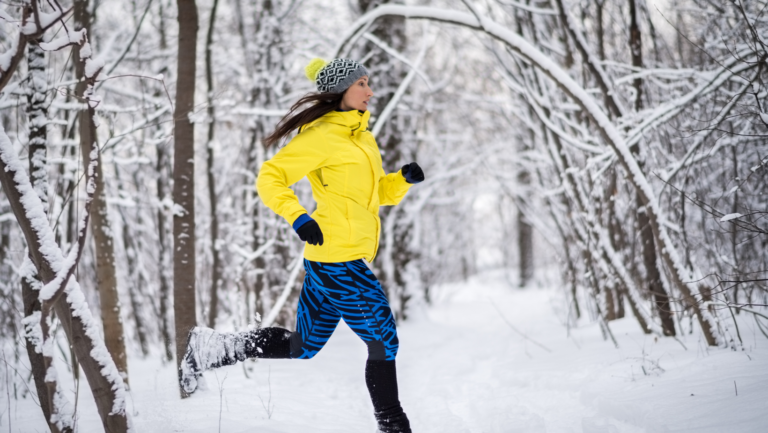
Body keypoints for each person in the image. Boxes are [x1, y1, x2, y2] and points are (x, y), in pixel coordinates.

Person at [178, 57, 424, 433]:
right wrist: (299, 217)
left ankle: (210, 349)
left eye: (368, 83)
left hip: (329, 259)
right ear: (341, 90)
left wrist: (402, 180)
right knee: (383, 341)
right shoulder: (321, 136)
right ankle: (393, 426)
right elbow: (271, 176)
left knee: (302, 347)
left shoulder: (363, 139)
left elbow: (378, 195)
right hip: (339, 260)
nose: (370, 91)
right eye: (362, 83)